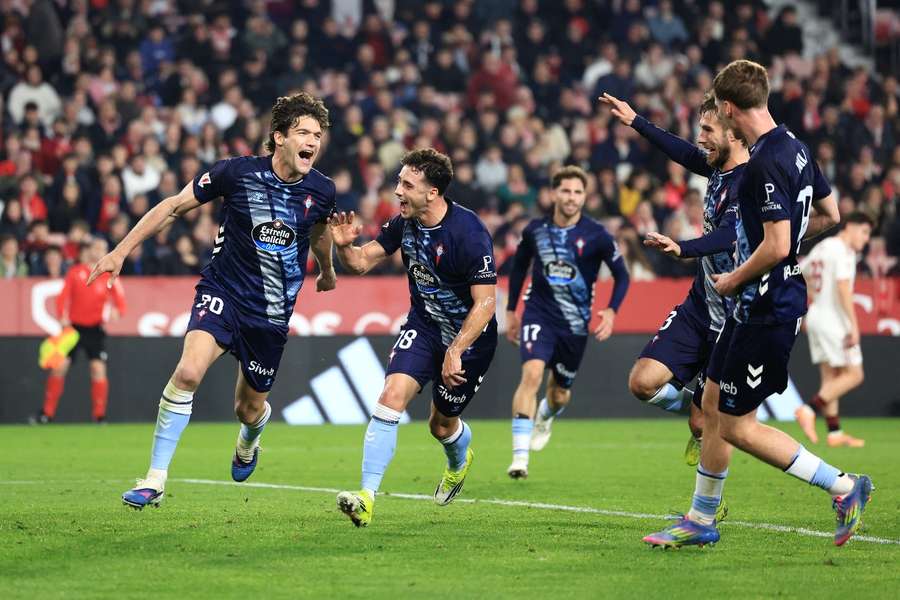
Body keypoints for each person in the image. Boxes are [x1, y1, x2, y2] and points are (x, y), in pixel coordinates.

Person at [643, 60, 872, 549]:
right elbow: (830, 214)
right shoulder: (796, 148)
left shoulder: (764, 161)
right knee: (709, 405)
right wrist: (772, 248)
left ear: (728, 109)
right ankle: (701, 519)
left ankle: (844, 486)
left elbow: (777, 245)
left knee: (737, 427)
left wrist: (735, 277)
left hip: (766, 309)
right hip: (753, 306)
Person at [88, 93, 337, 509]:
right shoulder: (235, 173)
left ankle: (249, 440)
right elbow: (173, 207)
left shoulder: (322, 190)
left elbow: (319, 233)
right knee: (187, 372)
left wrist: (327, 270)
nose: (313, 141)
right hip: (223, 291)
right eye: (304, 132)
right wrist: (121, 251)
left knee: (248, 409)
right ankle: (155, 478)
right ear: (279, 137)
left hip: (271, 313)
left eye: (318, 134)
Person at [328, 148, 497, 527]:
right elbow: (359, 263)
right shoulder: (403, 223)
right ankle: (366, 497)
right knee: (390, 397)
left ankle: (459, 461)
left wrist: (456, 349)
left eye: (407, 185)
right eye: (398, 182)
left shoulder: (468, 233)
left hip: (469, 340)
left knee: (441, 425)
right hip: (424, 327)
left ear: (432, 192)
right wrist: (343, 246)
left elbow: (486, 303)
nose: (397, 191)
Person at [601, 91, 747, 468]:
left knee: (701, 424)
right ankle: (705, 411)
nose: (700, 137)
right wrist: (636, 121)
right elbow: (681, 151)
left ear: (733, 133)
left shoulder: (750, 182)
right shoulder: (717, 168)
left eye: (708, 129)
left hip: (732, 317)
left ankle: (707, 420)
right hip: (699, 304)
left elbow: (728, 235)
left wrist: (683, 248)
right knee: (642, 382)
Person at [503, 166, 630, 479]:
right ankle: (519, 458)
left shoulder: (598, 235)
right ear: (553, 194)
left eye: (577, 192)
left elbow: (622, 275)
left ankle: (545, 415)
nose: (571, 197)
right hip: (538, 314)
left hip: (574, 325)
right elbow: (518, 268)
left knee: (559, 394)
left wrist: (611, 311)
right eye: (566, 191)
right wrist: (511, 310)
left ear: (584, 197)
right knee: (531, 374)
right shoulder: (535, 230)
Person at [796, 212, 873, 448]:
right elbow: (843, 288)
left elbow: (801, 272)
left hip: (817, 315)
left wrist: (815, 298)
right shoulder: (843, 251)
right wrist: (854, 326)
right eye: (864, 232)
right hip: (833, 320)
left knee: (831, 377)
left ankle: (834, 432)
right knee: (854, 374)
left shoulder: (824, 246)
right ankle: (809, 409)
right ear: (850, 227)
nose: (866, 239)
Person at [32, 238, 125, 424]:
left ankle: (99, 416)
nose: (99, 251)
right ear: (89, 250)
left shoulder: (110, 275)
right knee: (59, 367)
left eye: (103, 248)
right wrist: (62, 316)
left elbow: (120, 300)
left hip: (95, 329)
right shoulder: (75, 272)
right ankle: (46, 414)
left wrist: (118, 310)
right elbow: (62, 297)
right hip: (74, 329)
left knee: (98, 369)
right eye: (96, 247)